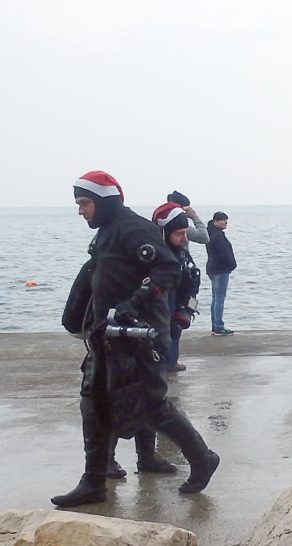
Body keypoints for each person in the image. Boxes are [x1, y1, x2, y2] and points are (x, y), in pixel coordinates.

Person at [52, 171, 220, 508]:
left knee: (151, 406)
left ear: (102, 201)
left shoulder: (134, 229)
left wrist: (134, 304)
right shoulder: (107, 233)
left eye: (84, 203)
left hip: (136, 338)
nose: (81, 210)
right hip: (105, 336)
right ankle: (93, 482)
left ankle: (202, 458)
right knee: (94, 403)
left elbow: (168, 269)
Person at [153, 202, 203, 370]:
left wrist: (188, 309)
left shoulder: (181, 254)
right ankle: (164, 363)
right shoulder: (153, 259)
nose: (185, 239)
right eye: (179, 234)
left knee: (176, 328)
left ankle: (171, 362)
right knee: (167, 331)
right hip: (163, 301)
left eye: (185, 233)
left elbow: (193, 283)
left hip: (177, 298)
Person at [206, 211, 236, 336]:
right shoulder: (218, 236)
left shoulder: (211, 234)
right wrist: (232, 265)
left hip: (213, 269)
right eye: (223, 220)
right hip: (220, 270)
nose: (226, 222)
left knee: (216, 298)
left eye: (226, 220)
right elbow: (224, 254)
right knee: (219, 298)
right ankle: (218, 326)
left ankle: (216, 325)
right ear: (216, 221)